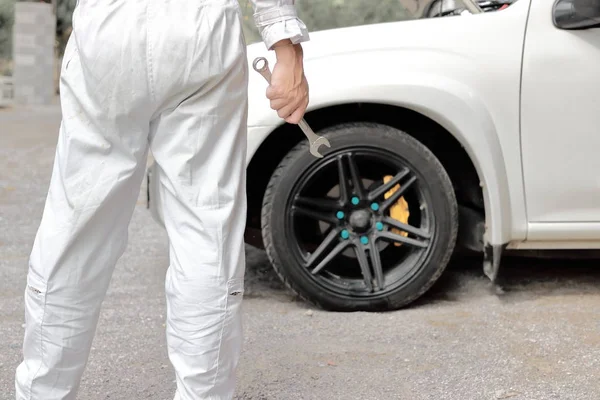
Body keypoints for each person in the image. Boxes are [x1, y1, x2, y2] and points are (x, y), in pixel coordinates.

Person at [14, 0, 309, 399]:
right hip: (202, 28)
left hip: (109, 25)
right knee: (205, 228)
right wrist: (285, 46)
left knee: (76, 228)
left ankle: (43, 392)